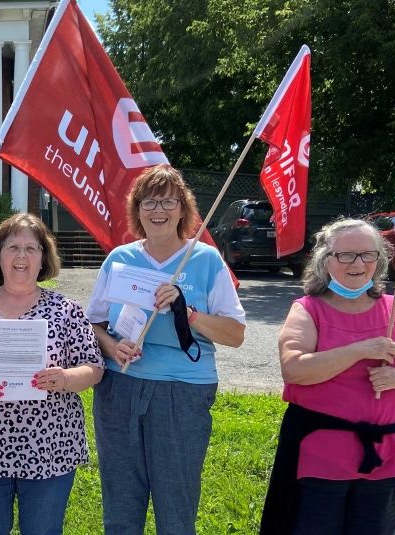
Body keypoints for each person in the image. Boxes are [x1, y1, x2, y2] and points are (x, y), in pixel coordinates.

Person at [260, 218, 395, 535]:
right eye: (345, 255)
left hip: (390, 456)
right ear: (325, 260)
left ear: (380, 259)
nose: (357, 264)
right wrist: (360, 349)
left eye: (367, 254)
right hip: (321, 457)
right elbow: (295, 370)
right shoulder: (308, 309)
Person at [87, 164, 246, 534]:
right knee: (121, 499)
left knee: (176, 500)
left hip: (182, 390)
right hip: (120, 387)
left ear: (183, 209)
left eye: (168, 202)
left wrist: (188, 313)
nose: (158, 211)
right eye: (149, 202)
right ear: (137, 209)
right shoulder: (120, 259)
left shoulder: (205, 259)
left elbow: (236, 334)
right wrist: (112, 347)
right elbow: (92, 322)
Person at [0, 213, 103, 535]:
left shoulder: (66, 309)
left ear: (43, 258)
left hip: (50, 445)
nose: (21, 256)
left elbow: (94, 367)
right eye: (13, 247)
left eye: (32, 248)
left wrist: (67, 379)